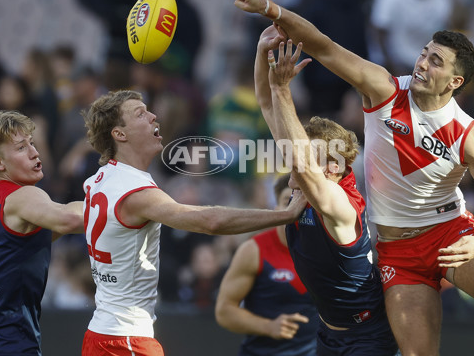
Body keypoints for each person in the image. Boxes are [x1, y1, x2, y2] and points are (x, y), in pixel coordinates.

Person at [233, 0, 474, 356]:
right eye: (424, 54)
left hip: (450, 234)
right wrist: (271, 8)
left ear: (455, 82)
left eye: (436, 61)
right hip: (397, 251)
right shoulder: (383, 88)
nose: (421, 64)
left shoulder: (467, 136)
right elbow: (323, 46)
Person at [80, 89, 306, 355]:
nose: (154, 116)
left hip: (100, 333)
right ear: (119, 134)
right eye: (140, 114)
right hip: (125, 340)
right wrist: (285, 214)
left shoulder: (99, 180)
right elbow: (209, 221)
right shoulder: (135, 191)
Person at [251, 28, 398, 355]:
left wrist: (282, 88)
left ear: (334, 168)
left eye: (308, 155)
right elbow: (265, 103)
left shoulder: (341, 203)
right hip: (329, 334)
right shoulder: (307, 182)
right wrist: (262, 52)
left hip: (368, 335)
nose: (295, 157)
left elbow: (303, 166)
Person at [0, 109, 84, 356]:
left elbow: (31, 242)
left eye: (32, 143)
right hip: (8, 346)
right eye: (20, 148)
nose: (35, 152)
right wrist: (114, 197)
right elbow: (71, 220)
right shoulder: (22, 195)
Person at [215, 174, 318, 356]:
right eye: (288, 200)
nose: (296, 207)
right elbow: (224, 311)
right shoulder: (254, 250)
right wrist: (269, 326)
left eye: (303, 201)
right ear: (275, 207)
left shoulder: (326, 252)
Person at [370, 0, 453, 76]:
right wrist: (390, 63)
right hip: (388, 61)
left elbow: (442, 35)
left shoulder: (442, 0)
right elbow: (379, 28)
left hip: (420, 63)